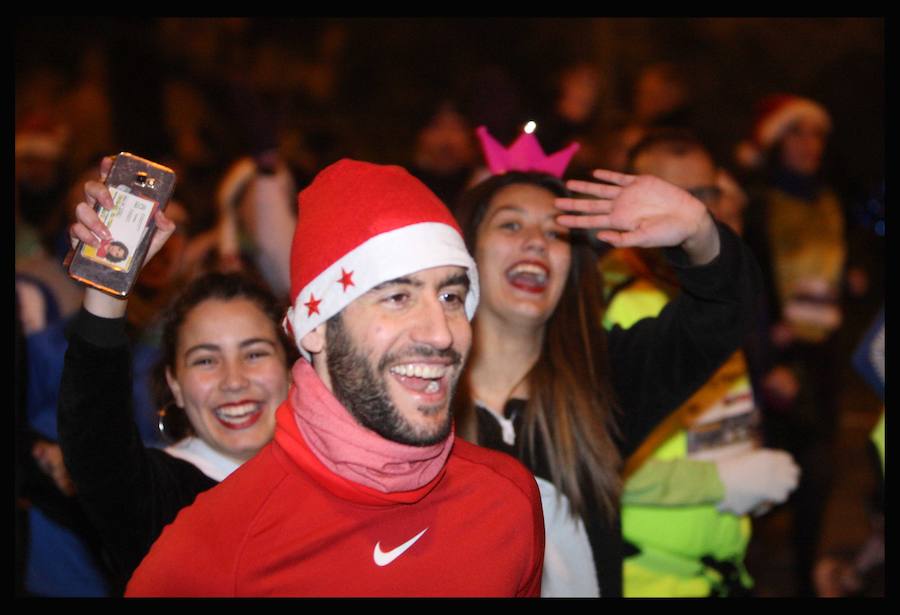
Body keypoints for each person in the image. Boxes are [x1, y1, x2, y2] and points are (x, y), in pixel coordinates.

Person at [126, 159, 545, 597]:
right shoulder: (212, 551)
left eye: (451, 295)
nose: (441, 333)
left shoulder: (507, 499)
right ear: (318, 327)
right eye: (398, 297)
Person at [450, 126, 762, 596]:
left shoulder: (606, 379)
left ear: (571, 266)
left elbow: (722, 315)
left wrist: (698, 231)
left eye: (555, 232)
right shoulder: (418, 394)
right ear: (467, 254)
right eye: (511, 224)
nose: (536, 241)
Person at [58, 156, 294, 592]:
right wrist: (107, 283)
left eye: (255, 353)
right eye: (205, 360)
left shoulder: (334, 480)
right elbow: (94, 439)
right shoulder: (158, 498)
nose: (234, 380)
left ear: (290, 369)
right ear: (174, 384)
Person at [603, 129, 799, 597]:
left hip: (718, 572)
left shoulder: (711, 302)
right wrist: (720, 481)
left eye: (705, 194)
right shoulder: (615, 305)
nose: (689, 214)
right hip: (648, 579)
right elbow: (592, 462)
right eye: (672, 196)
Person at [737, 94, 848, 595]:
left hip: (821, 357)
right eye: (798, 133)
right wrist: (768, 335)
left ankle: (804, 575)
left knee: (819, 472)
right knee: (764, 475)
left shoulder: (830, 198)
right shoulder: (758, 202)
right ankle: (739, 566)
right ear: (778, 143)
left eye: (817, 134)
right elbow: (744, 276)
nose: (809, 144)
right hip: (773, 359)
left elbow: (838, 265)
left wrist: (854, 282)